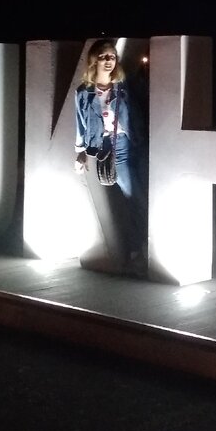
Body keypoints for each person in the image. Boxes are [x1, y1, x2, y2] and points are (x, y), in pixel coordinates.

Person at [73, 39, 148, 276]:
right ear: (94, 60)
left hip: (131, 142)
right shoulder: (83, 92)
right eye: (104, 57)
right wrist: (80, 152)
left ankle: (140, 247)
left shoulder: (123, 86)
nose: (109, 61)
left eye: (112, 56)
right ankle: (137, 247)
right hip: (106, 147)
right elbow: (81, 123)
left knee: (136, 196)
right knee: (130, 198)